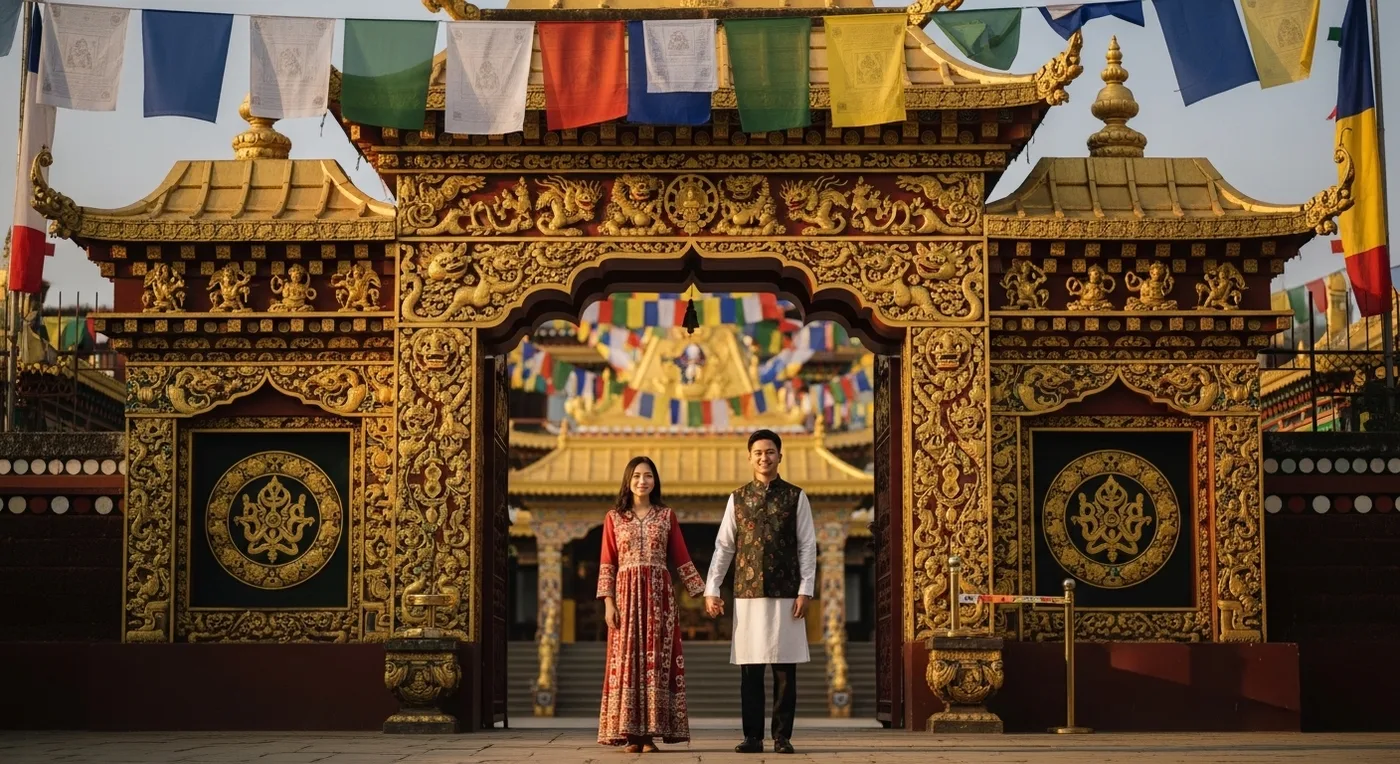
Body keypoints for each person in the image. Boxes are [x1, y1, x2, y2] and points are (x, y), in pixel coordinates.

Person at [703, 429, 816, 755]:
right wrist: (713, 588)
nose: (764, 457)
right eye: (758, 452)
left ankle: (782, 737)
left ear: (780, 456)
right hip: (748, 593)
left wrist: (805, 590)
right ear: (750, 457)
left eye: (770, 452)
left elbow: (808, 546)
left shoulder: (796, 497)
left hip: (787, 593)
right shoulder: (737, 498)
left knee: (784, 671)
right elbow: (724, 546)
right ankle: (752, 736)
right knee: (750, 670)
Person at [597, 456, 706, 753]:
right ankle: (631, 735)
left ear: (655, 480)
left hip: (659, 597)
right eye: (636, 476)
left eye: (647, 476)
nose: (642, 481)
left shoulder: (665, 515)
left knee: (655, 662)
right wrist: (609, 603)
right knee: (627, 662)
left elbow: (681, 556)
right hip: (625, 597)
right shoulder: (614, 517)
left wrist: (705, 593)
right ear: (628, 480)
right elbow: (608, 561)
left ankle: (650, 735)